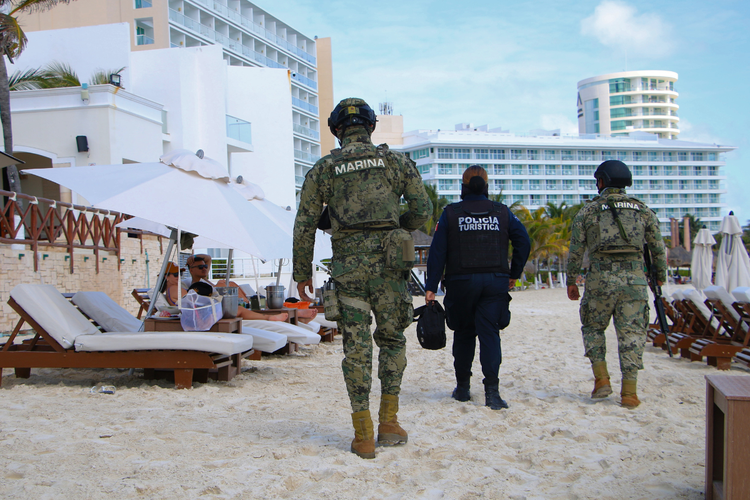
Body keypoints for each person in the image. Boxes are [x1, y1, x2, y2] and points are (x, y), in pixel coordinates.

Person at [293, 98, 432, 459]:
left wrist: (301, 272)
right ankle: (389, 422)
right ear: (370, 126)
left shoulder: (324, 168)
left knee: (356, 348)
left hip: (348, 269)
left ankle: (363, 435)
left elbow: (305, 222)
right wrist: (395, 228)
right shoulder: (396, 161)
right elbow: (422, 209)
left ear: (336, 130)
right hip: (390, 265)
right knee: (392, 339)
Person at [424, 165, 530, 410]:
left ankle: (462, 389)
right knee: (490, 334)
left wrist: (431, 286)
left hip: (461, 283)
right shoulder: (502, 212)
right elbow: (523, 241)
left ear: (463, 186)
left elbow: (438, 252)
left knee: (463, 334)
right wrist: (514, 273)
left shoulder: (451, 213)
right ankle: (492, 393)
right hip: (494, 281)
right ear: (486, 185)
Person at [566, 160, 667, 408]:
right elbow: (657, 248)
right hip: (634, 281)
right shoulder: (642, 210)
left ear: (602, 181)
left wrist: (571, 281)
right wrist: (661, 275)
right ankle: (629, 392)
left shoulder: (588, 212)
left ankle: (601, 380)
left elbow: (576, 250)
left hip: (599, 279)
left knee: (592, 328)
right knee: (632, 334)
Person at [185, 254, 288, 322]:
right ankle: (268, 317)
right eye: (200, 267)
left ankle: (251, 303)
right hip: (216, 309)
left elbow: (207, 258)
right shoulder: (196, 283)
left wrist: (194, 256)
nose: (204, 268)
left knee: (228, 283)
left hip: (223, 304)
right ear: (191, 270)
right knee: (225, 286)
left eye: (205, 266)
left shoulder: (205, 279)